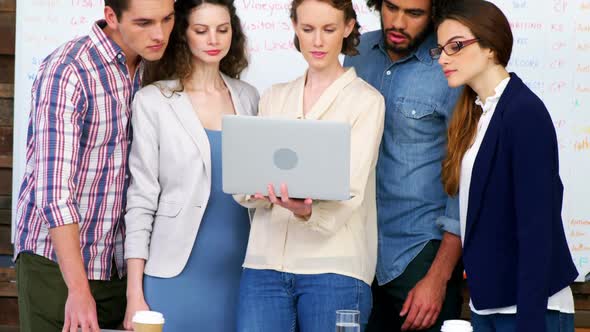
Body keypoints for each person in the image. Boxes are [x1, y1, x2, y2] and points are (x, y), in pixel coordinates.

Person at [13, 1, 175, 331]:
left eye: (167, 19)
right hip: (56, 267)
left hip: (122, 268)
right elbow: (53, 192)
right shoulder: (69, 70)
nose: (159, 34)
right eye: (144, 23)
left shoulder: (154, 68)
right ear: (112, 17)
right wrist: (78, 289)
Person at [234, 0, 385, 330]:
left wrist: (307, 211)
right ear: (294, 27)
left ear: (347, 28)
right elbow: (244, 183)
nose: (317, 41)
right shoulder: (273, 97)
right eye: (307, 29)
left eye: (329, 29)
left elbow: (351, 190)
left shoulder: (366, 101)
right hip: (263, 266)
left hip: (336, 270)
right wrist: (258, 187)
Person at [432, 1, 578, 331]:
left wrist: (529, 320)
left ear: (490, 47)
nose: (443, 58)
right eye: (440, 49)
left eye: (455, 46)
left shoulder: (523, 112)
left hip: (529, 309)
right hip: (489, 305)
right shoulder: (477, 115)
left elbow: (537, 227)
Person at [123, 0, 259, 330]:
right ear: (183, 35)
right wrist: (134, 295)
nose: (214, 39)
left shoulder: (250, 97)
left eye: (222, 30)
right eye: (201, 30)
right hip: (173, 275)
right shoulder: (153, 101)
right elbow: (141, 200)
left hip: (243, 273)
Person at [343, 0, 463, 330]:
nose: (397, 21)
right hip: (356, 249)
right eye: (391, 7)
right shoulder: (358, 51)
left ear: (435, 13)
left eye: (414, 13)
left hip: (418, 253)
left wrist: (438, 277)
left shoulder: (449, 66)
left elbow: (463, 177)